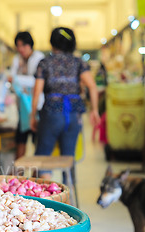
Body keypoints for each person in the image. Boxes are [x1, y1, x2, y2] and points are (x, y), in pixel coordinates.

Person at [30, 27, 100, 178]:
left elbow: (36, 92)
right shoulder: (79, 63)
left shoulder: (45, 63)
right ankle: (68, 196)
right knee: (68, 159)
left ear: (52, 43)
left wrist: (33, 115)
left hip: (51, 114)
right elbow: (92, 86)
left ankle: (47, 197)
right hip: (73, 115)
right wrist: (94, 110)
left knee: (43, 158)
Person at [9, 31, 45, 159]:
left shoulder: (38, 59)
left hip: (37, 107)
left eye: (23, 45)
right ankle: (17, 175)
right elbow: (12, 78)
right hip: (23, 108)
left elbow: (37, 81)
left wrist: (17, 79)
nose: (21, 49)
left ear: (30, 45)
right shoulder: (17, 60)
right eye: (18, 46)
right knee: (20, 139)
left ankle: (36, 176)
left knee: (37, 143)